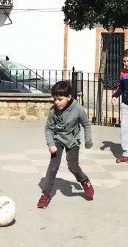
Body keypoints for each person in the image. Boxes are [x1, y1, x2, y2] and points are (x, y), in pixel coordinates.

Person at [37, 80, 94, 208]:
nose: (56, 102)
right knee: (53, 167)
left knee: (73, 167)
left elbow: (86, 124)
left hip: (73, 141)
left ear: (69, 97)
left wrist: (88, 140)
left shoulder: (78, 109)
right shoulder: (53, 111)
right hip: (58, 139)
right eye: (55, 99)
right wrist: (51, 143)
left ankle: (84, 181)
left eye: (60, 99)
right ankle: (46, 194)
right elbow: (48, 128)